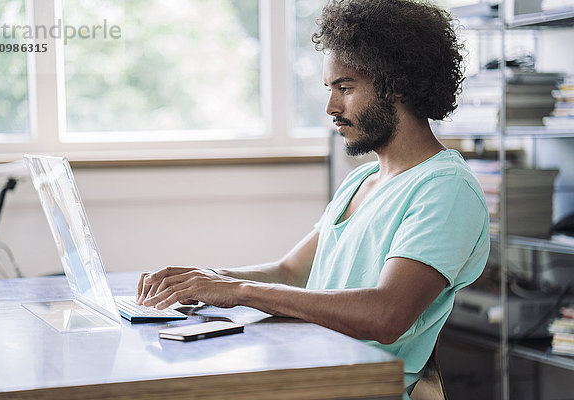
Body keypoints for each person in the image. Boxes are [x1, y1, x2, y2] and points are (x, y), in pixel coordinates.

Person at [137, 0, 490, 397]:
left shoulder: (445, 189)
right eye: (330, 89)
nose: (331, 108)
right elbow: (292, 272)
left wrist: (240, 293)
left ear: (399, 85)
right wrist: (207, 280)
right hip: (312, 373)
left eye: (345, 88)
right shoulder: (363, 180)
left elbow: (387, 314)